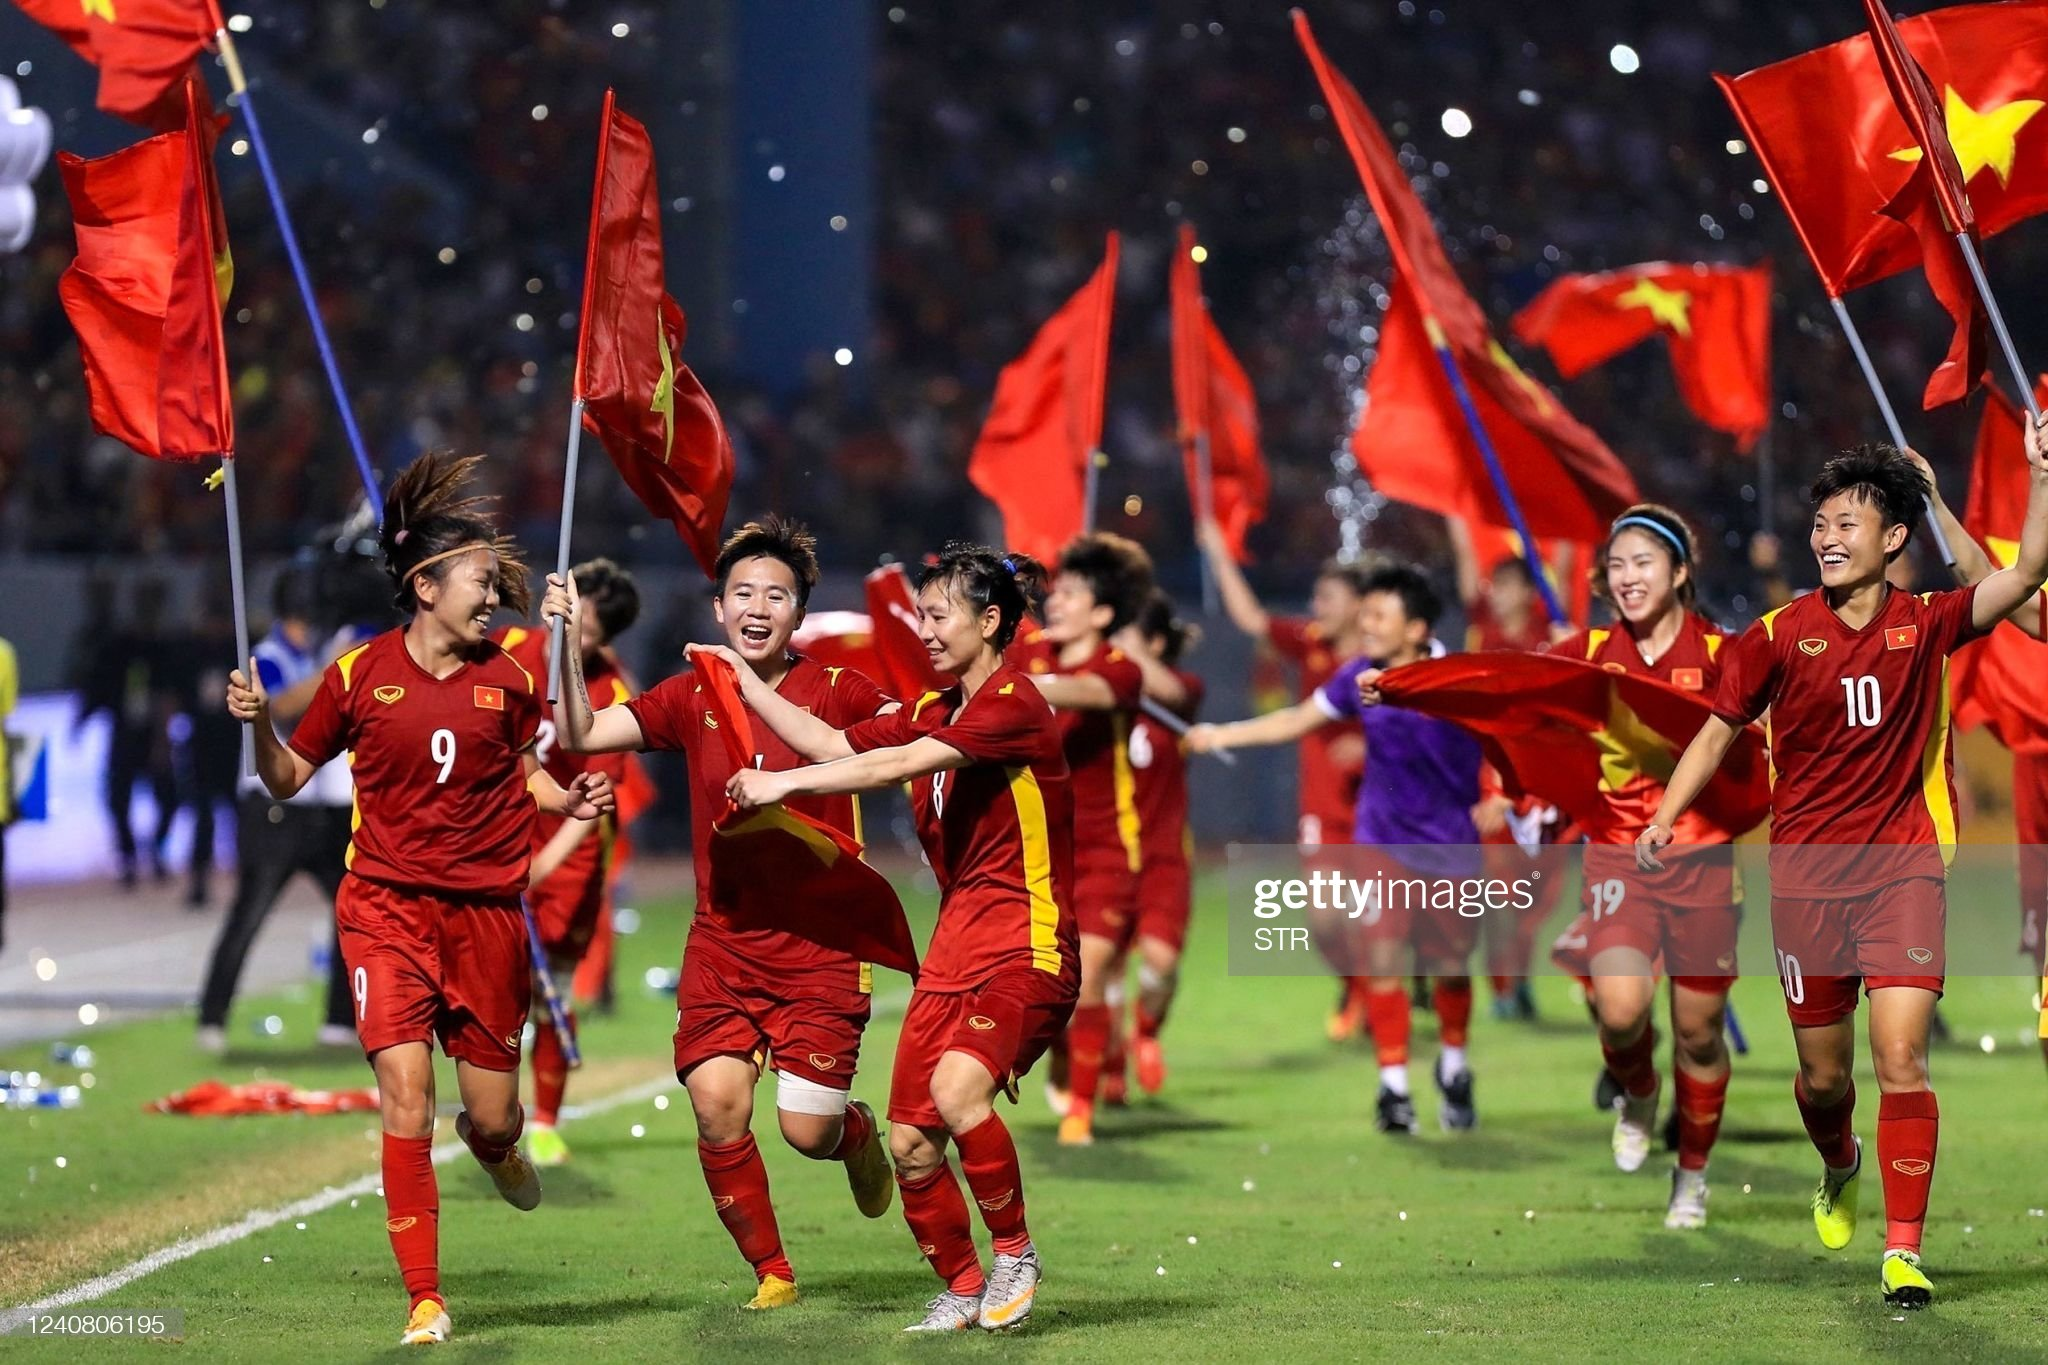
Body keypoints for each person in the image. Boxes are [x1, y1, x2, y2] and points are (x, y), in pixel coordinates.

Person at [1638, 435, 2048, 1308]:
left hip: (1903, 872)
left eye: (1847, 521)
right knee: (1826, 1079)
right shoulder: (1777, 636)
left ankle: (1903, 1250)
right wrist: (1668, 816)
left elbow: (2026, 577)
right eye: (1820, 522)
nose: (1826, 535)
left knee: (1901, 1056)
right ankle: (1840, 1160)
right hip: (1806, 887)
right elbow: (1715, 731)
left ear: (1893, 537)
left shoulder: (1926, 621)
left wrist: (2043, 478)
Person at [226, 451, 615, 1347]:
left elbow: (528, 777)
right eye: (480, 582)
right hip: (385, 911)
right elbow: (287, 779)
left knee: (489, 1117)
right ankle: (426, 1297)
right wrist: (260, 729)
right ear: (425, 583)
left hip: (485, 920)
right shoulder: (360, 674)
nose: (492, 598)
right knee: (406, 1093)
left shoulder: (513, 677)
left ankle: (501, 1147)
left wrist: (571, 794)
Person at [717, 542, 1075, 1333]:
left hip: (1027, 945)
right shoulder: (936, 706)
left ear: (989, 621)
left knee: (956, 1092)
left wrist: (779, 785)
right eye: (921, 613)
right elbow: (834, 742)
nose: (925, 629)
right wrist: (744, 682)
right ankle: (961, 1281)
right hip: (952, 951)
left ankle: (1014, 1250)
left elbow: (897, 764)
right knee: (911, 1139)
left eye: (939, 614)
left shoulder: (1015, 702)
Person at [541, 516, 895, 1311]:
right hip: (725, 941)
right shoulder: (691, 690)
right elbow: (582, 730)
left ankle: (857, 1136)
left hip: (821, 944)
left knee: (808, 1131)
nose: (758, 605)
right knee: (716, 1104)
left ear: (799, 613)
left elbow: (878, 756)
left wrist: (763, 703)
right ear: (718, 608)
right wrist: (562, 642)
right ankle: (773, 1271)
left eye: (777, 593)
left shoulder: (839, 688)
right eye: (743, 592)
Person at [1191, 564, 1484, 1135]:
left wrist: (1505, 798)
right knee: (1382, 960)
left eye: (1379, 615)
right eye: (1365, 612)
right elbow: (1299, 719)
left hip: (1450, 844)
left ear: (1418, 626)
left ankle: (1453, 1065)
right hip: (1379, 839)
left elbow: (1509, 741)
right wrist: (1221, 735)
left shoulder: (1461, 679)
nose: (1365, 624)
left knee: (1449, 968)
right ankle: (1393, 1088)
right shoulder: (1359, 677)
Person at [1545, 505, 1740, 1230]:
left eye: (1643, 563)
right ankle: (1637, 1091)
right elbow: (1509, 685)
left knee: (1699, 1031)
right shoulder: (1591, 648)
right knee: (1623, 1011)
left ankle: (1691, 1174)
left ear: (1681, 572)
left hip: (1704, 860)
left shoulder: (1723, 652)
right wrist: (1407, 682)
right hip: (1618, 856)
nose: (1627, 577)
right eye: (1617, 565)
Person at [1011, 531, 1163, 1146]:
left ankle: (1082, 1109)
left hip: (1105, 851)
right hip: (1037, 853)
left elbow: (1085, 693)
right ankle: (1070, 1057)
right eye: (1058, 591)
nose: (1058, 602)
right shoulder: (1028, 655)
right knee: (1048, 984)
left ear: (1103, 612)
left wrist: (1004, 684)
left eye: (1072, 594)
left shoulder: (1119, 669)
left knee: (1089, 978)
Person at [1196, 520, 1372, 1037]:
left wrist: (1370, 743)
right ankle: (1357, 987)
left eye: (1328, 596)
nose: (1317, 605)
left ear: (1360, 604)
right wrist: (1218, 553)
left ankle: (1396, 1018)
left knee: (1382, 919)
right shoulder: (1312, 643)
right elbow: (1251, 617)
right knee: (1325, 923)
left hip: (1379, 806)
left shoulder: (1383, 658)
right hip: (1323, 804)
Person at [494, 557, 640, 1166]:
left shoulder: (610, 693)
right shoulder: (501, 648)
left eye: (584, 633)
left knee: (551, 989)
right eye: (568, 621)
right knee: (496, 986)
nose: (569, 638)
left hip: (566, 859)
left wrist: (542, 869)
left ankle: (546, 1122)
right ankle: (494, 1110)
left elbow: (596, 808)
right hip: (496, 841)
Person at [196, 565, 357, 1053]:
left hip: (322, 809)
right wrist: (336, 668)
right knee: (250, 914)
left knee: (351, 913)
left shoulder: (317, 650)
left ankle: (340, 1021)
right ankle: (212, 1018)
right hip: (272, 811)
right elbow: (282, 708)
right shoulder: (265, 656)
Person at [1122, 591, 1204, 1096]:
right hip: (1104, 853)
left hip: (1163, 854)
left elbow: (1168, 690)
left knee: (1161, 964)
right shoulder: (1100, 695)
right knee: (1095, 978)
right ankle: (1102, 1073)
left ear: (1153, 643)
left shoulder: (1182, 692)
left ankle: (1146, 1032)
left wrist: (1122, 653)